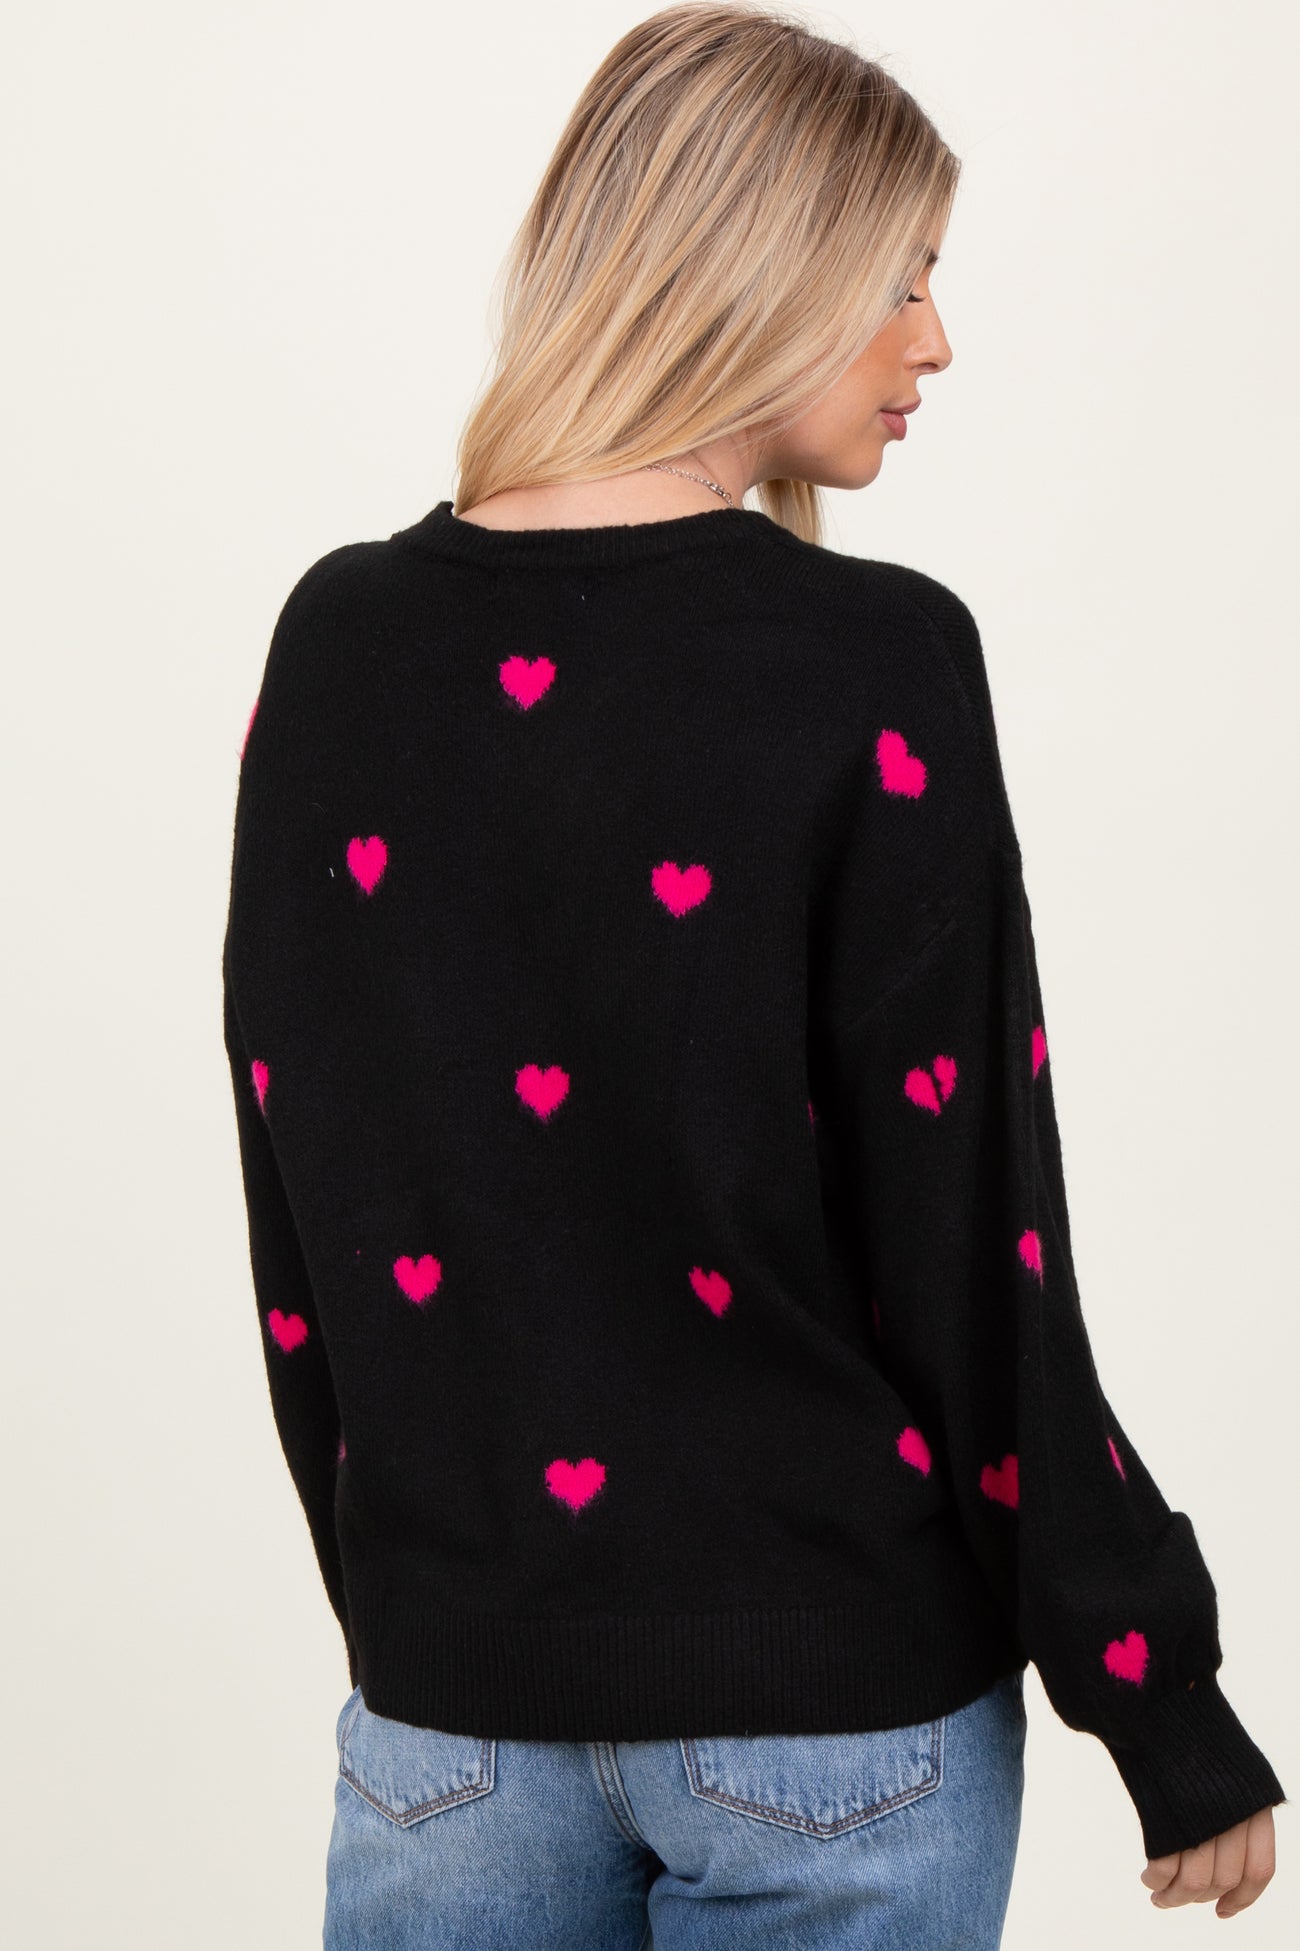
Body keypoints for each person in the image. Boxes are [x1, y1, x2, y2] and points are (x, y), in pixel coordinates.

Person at [221, 6, 1286, 1946]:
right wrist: (1152, 1684)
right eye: (900, 276)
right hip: (831, 1709)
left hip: (448, 1721)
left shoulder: (337, 643)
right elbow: (973, 1239)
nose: (933, 341)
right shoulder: (873, 659)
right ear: (756, 264)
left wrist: (425, 1617)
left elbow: (305, 1219)